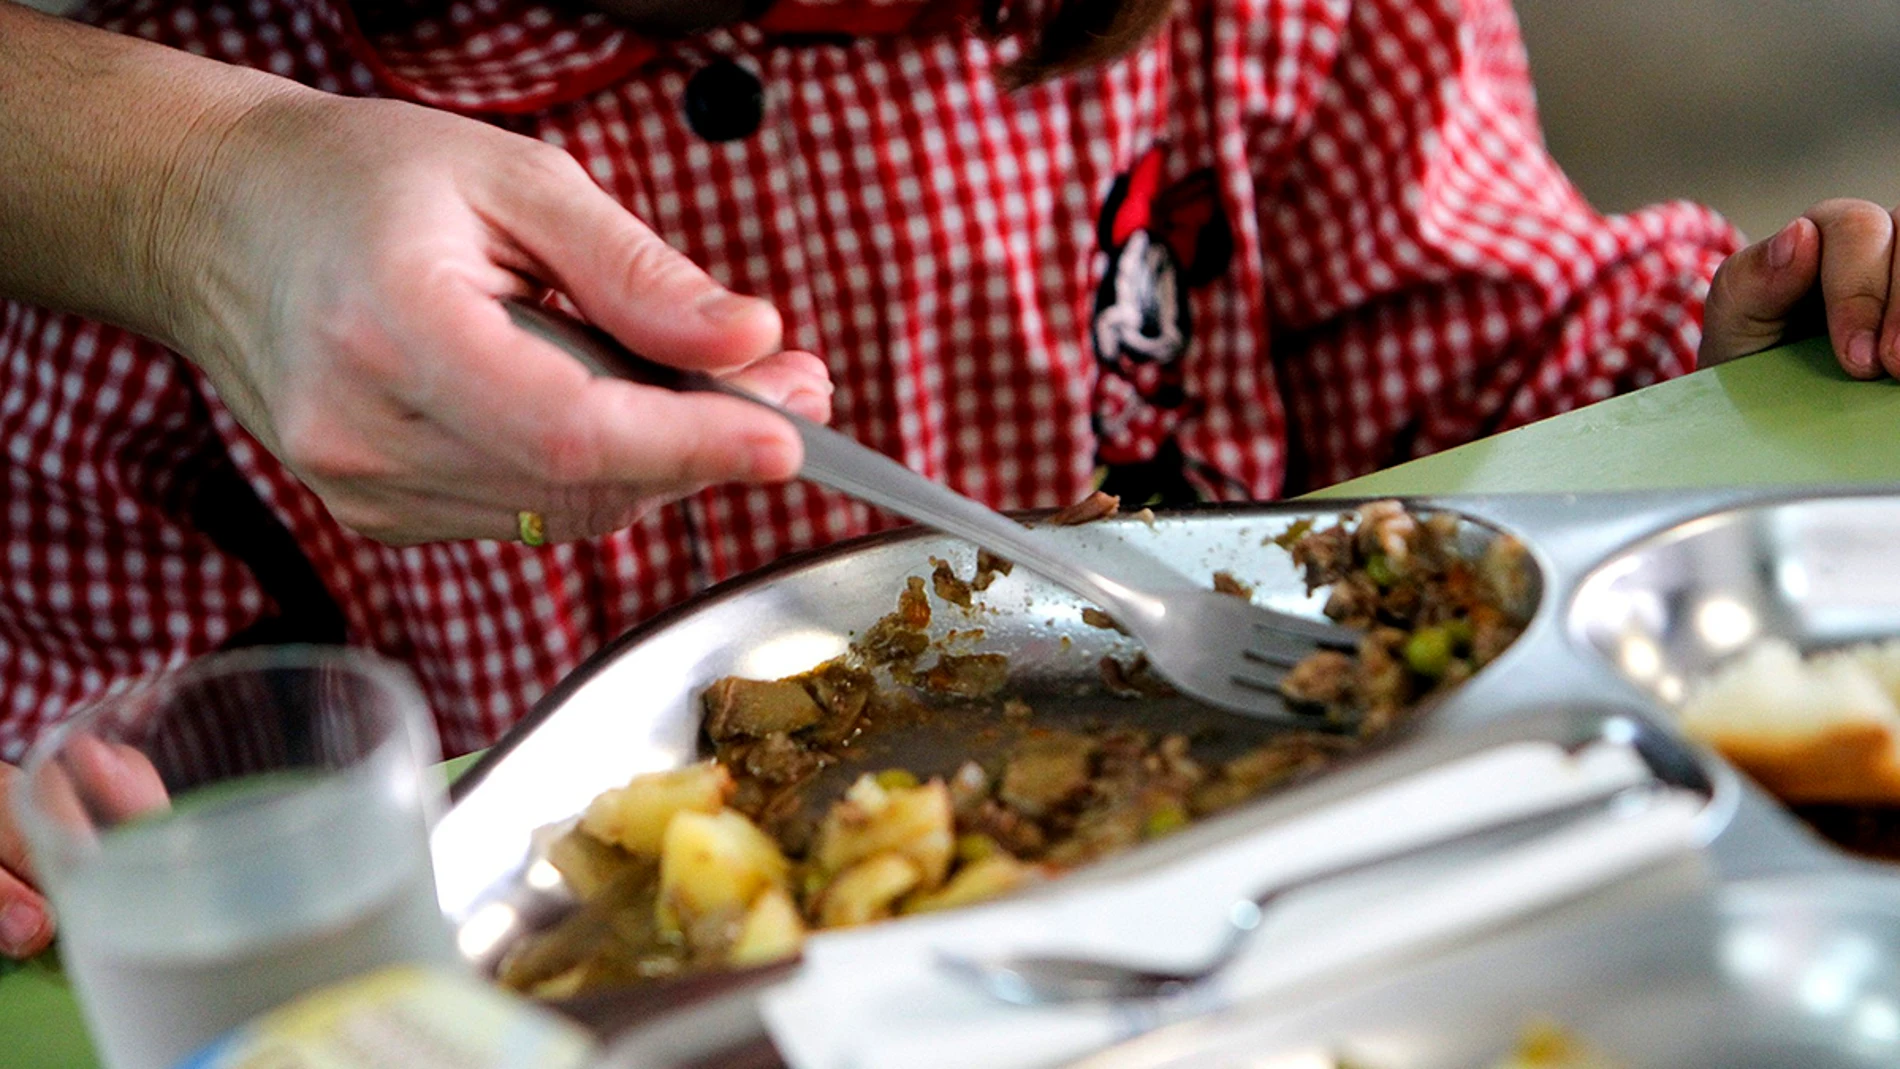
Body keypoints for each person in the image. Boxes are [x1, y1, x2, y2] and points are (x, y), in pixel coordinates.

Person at [0, 0, 1891, 961]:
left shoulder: (1273, 20)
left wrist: (1744, 362)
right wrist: (82, 815)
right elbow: (144, 746)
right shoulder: (173, 151)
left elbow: (1504, 372)